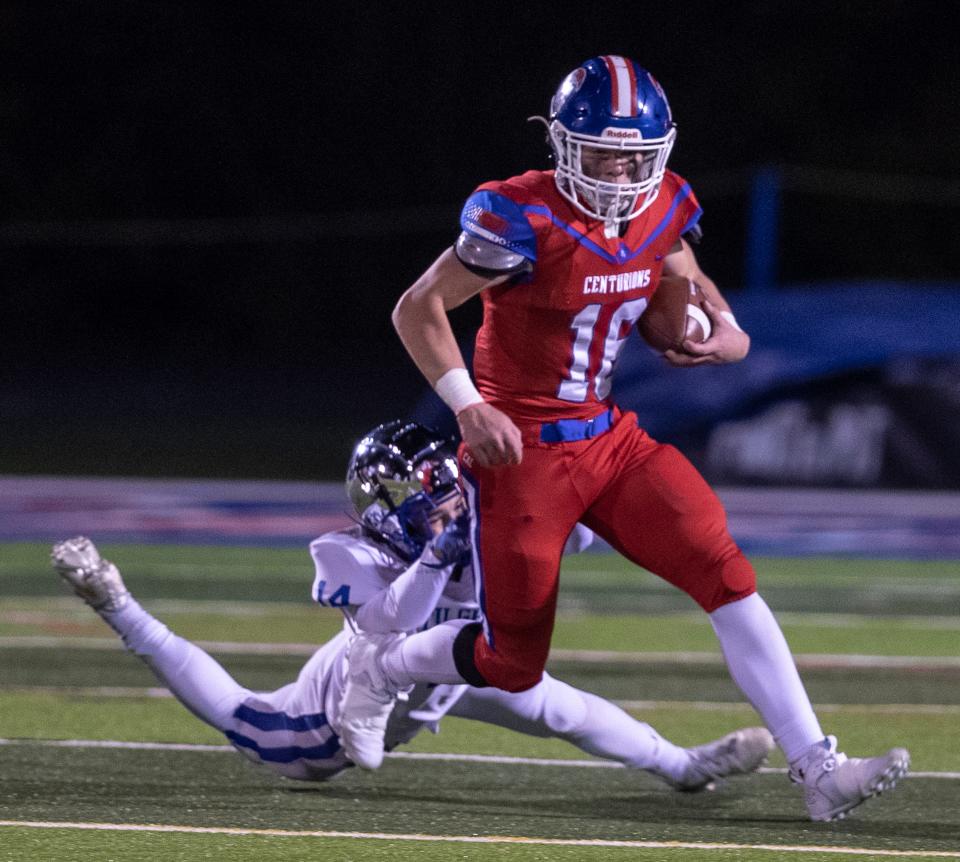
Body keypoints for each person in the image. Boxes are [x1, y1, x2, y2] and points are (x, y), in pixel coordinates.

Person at [340, 56, 910, 822]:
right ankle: (382, 666)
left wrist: (722, 327)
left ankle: (817, 768)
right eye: (602, 151)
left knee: (724, 570)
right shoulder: (519, 215)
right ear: (562, 144)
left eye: (634, 154)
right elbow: (417, 309)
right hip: (522, 449)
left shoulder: (668, 202)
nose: (618, 169)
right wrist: (469, 407)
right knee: (514, 663)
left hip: (610, 440)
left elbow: (680, 272)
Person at [49, 419, 774, 789]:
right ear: (381, 507)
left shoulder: (465, 515)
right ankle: (114, 600)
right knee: (245, 717)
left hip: (448, 669)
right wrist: (439, 553)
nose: (441, 500)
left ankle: (682, 768)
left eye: (441, 485)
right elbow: (386, 622)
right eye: (421, 493)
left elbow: (573, 530)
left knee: (561, 707)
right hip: (332, 715)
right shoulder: (345, 553)